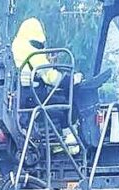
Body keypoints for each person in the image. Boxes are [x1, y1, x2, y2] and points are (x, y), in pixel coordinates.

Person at [12, 17, 82, 155]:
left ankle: (57, 142)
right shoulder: (34, 53)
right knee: (66, 106)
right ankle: (71, 145)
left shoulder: (16, 49)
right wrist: (71, 80)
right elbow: (50, 77)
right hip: (36, 97)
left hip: (23, 100)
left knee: (55, 106)